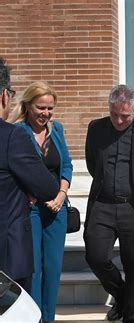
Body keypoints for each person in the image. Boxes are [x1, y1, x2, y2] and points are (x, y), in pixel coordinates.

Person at [84, 84, 134, 322]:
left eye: (125, 116)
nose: (119, 121)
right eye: (114, 115)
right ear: (108, 108)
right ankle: (121, 295)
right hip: (103, 204)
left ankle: (132, 317)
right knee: (96, 256)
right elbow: (92, 164)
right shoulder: (96, 128)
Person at [8, 81, 73, 322]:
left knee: (53, 270)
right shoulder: (17, 131)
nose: (45, 114)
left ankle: (49, 318)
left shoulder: (57, 130)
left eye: (50, 109)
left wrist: (61, 194)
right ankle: (34, 318)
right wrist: (27, 193)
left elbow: (66, 165)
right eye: (40, 108)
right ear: (28, 105)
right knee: (33, 271)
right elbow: (13, 169)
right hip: (30, 210)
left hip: (57, 210)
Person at [0, 57, 59, 293]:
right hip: (7, 256)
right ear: (5, 94)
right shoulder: (12, 136)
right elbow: (47, 187)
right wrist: (26, 187)